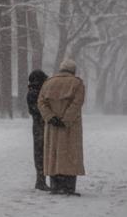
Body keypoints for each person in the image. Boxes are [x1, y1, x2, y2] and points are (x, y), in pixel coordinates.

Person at [38, 59, 85, 196]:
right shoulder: (77, 83)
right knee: (70, 154)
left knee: (53, 153)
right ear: (73, 70)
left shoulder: (48, 83)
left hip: (52, 126)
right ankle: (69, 186)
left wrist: (51, 117)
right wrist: (66, 120)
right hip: (70, 126)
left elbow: (41, 102)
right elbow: (77, 104)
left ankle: (55, 185)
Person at [27, 69, 50, 191]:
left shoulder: (32, 91)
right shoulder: (36, 92)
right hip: (40, 125)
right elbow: (35, 109)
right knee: (41, 152)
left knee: (40, 152)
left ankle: (41, 179)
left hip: (37, 125)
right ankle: (41, 181)